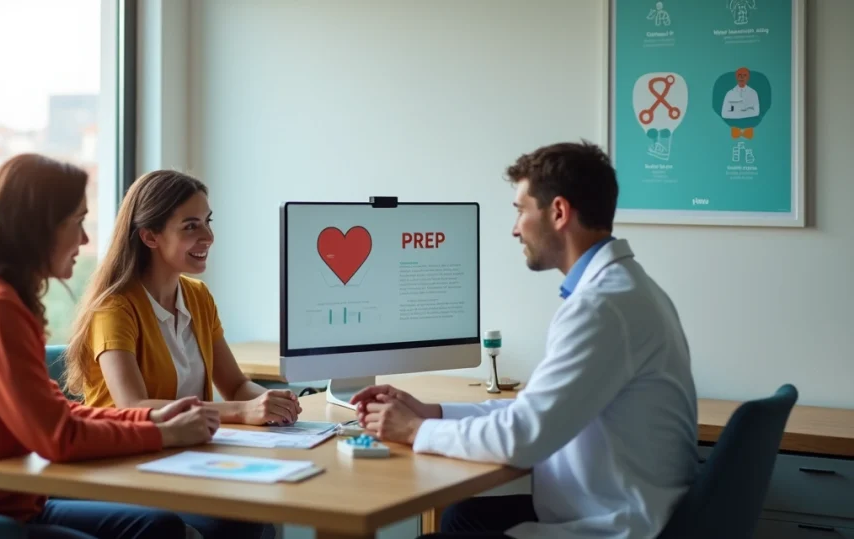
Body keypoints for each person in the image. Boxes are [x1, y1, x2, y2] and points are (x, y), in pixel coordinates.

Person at [351, 141, 699, 539]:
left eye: (520, 210)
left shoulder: (601, 307)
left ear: (558, 212)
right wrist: (433, 413)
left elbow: (522, 439)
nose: (515, 228)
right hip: (621, 501)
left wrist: (415, 430)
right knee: (462, 518)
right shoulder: (629, 289)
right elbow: (531, 412)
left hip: (614, 522)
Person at [0, 153, 221, 539]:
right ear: (38, 228)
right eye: (78, 223)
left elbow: (57, 413)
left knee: (158, 526)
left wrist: (152, 420)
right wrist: (164, 433)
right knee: (159, 531)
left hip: (6, 501)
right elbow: (58, 438)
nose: (84, 240)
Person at [63, 169, 287, 539]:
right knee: (235, 522)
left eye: (208, 222)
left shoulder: (198, 297)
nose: (208, 237)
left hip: (187, 461)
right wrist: (243, 411)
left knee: (256, 514)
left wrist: (273, 402)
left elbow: (235, 384)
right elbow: (131, 405)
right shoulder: (115, 308)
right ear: (149, 236)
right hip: (125, 467)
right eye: (191, 226)